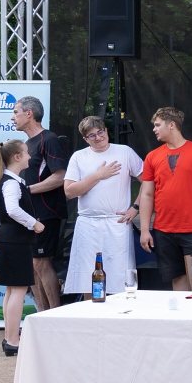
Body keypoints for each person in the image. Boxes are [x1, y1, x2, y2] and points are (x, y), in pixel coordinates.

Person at [137, 107, 192, 290]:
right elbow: (146, 194)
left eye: (157, 125)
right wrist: (144, 230)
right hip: (163, 229)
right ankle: (182, 311)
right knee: (177, 278)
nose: (154, 129)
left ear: (172, 125)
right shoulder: (152, 156)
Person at [63, 117, 143, 301]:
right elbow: (69, 191)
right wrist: (98, 175)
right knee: (87, 276)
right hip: (87, 224)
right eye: (92, 135)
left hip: (117, 223)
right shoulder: (79, 157)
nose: (98, 137)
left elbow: (148, 180)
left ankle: (121, 314)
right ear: (85, 139)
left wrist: (135, 207)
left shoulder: (124, 152)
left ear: (106, 131)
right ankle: (90, 313)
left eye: (100, 132)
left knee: (120, 275)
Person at [0, 140, 43, 357]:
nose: (29, 157)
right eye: (26, 153)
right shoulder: (11, 183)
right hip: (15, 241)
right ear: (17, 157)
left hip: (10, 240)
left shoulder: (8, 181)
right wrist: (34, 223)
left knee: (12, 290)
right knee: (17, 290)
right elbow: (12, 210)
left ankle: (10, 337)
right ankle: (12, 340)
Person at [11, 95, 68, 313]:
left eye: (16, 112)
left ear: (29, 113)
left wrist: (27, 191)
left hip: (46, 211)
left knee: (41, 262)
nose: (12, 117)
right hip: (28, 213)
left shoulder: (48, 139)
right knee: (32, 264)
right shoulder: (27, 144)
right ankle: (42, 314)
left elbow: (60, 176)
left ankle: (55, 314)